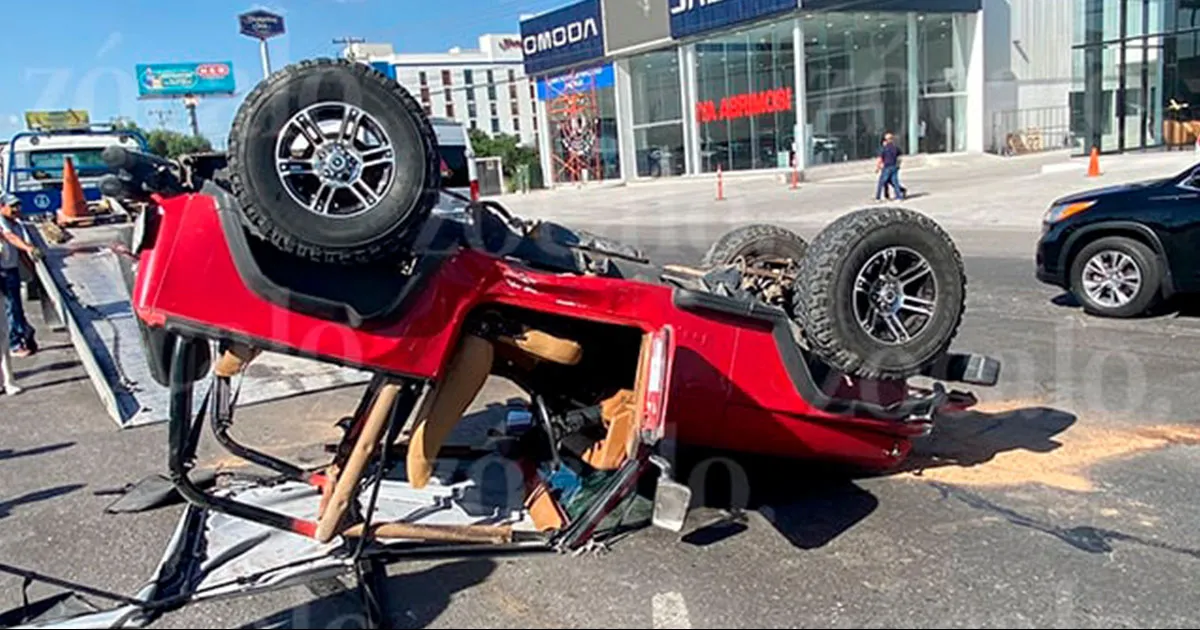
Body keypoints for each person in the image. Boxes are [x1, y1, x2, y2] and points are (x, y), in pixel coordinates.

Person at [0, 194, 41, 357]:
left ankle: (23, 329)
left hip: (11, 269)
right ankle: (15, 342)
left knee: (14, 306)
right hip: (2, 270)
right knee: (11, 307)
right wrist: (29, 248)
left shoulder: (16, 225)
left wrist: (32, 269)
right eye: (12, 207)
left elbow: (19, 249)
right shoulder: (2, 222)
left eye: (18, 206)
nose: (17, 210)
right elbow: (10, 237)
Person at [875, 132, 907, 202]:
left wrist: (877, 167)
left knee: (881, 182)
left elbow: (880, 159)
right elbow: (899, 158)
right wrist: (898, 165)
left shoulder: (884, 149)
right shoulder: (896, 148)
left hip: (887, 167)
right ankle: (899, 196)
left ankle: (878, 197)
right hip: (894, 167)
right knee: (894, 182)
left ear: (886, 140)